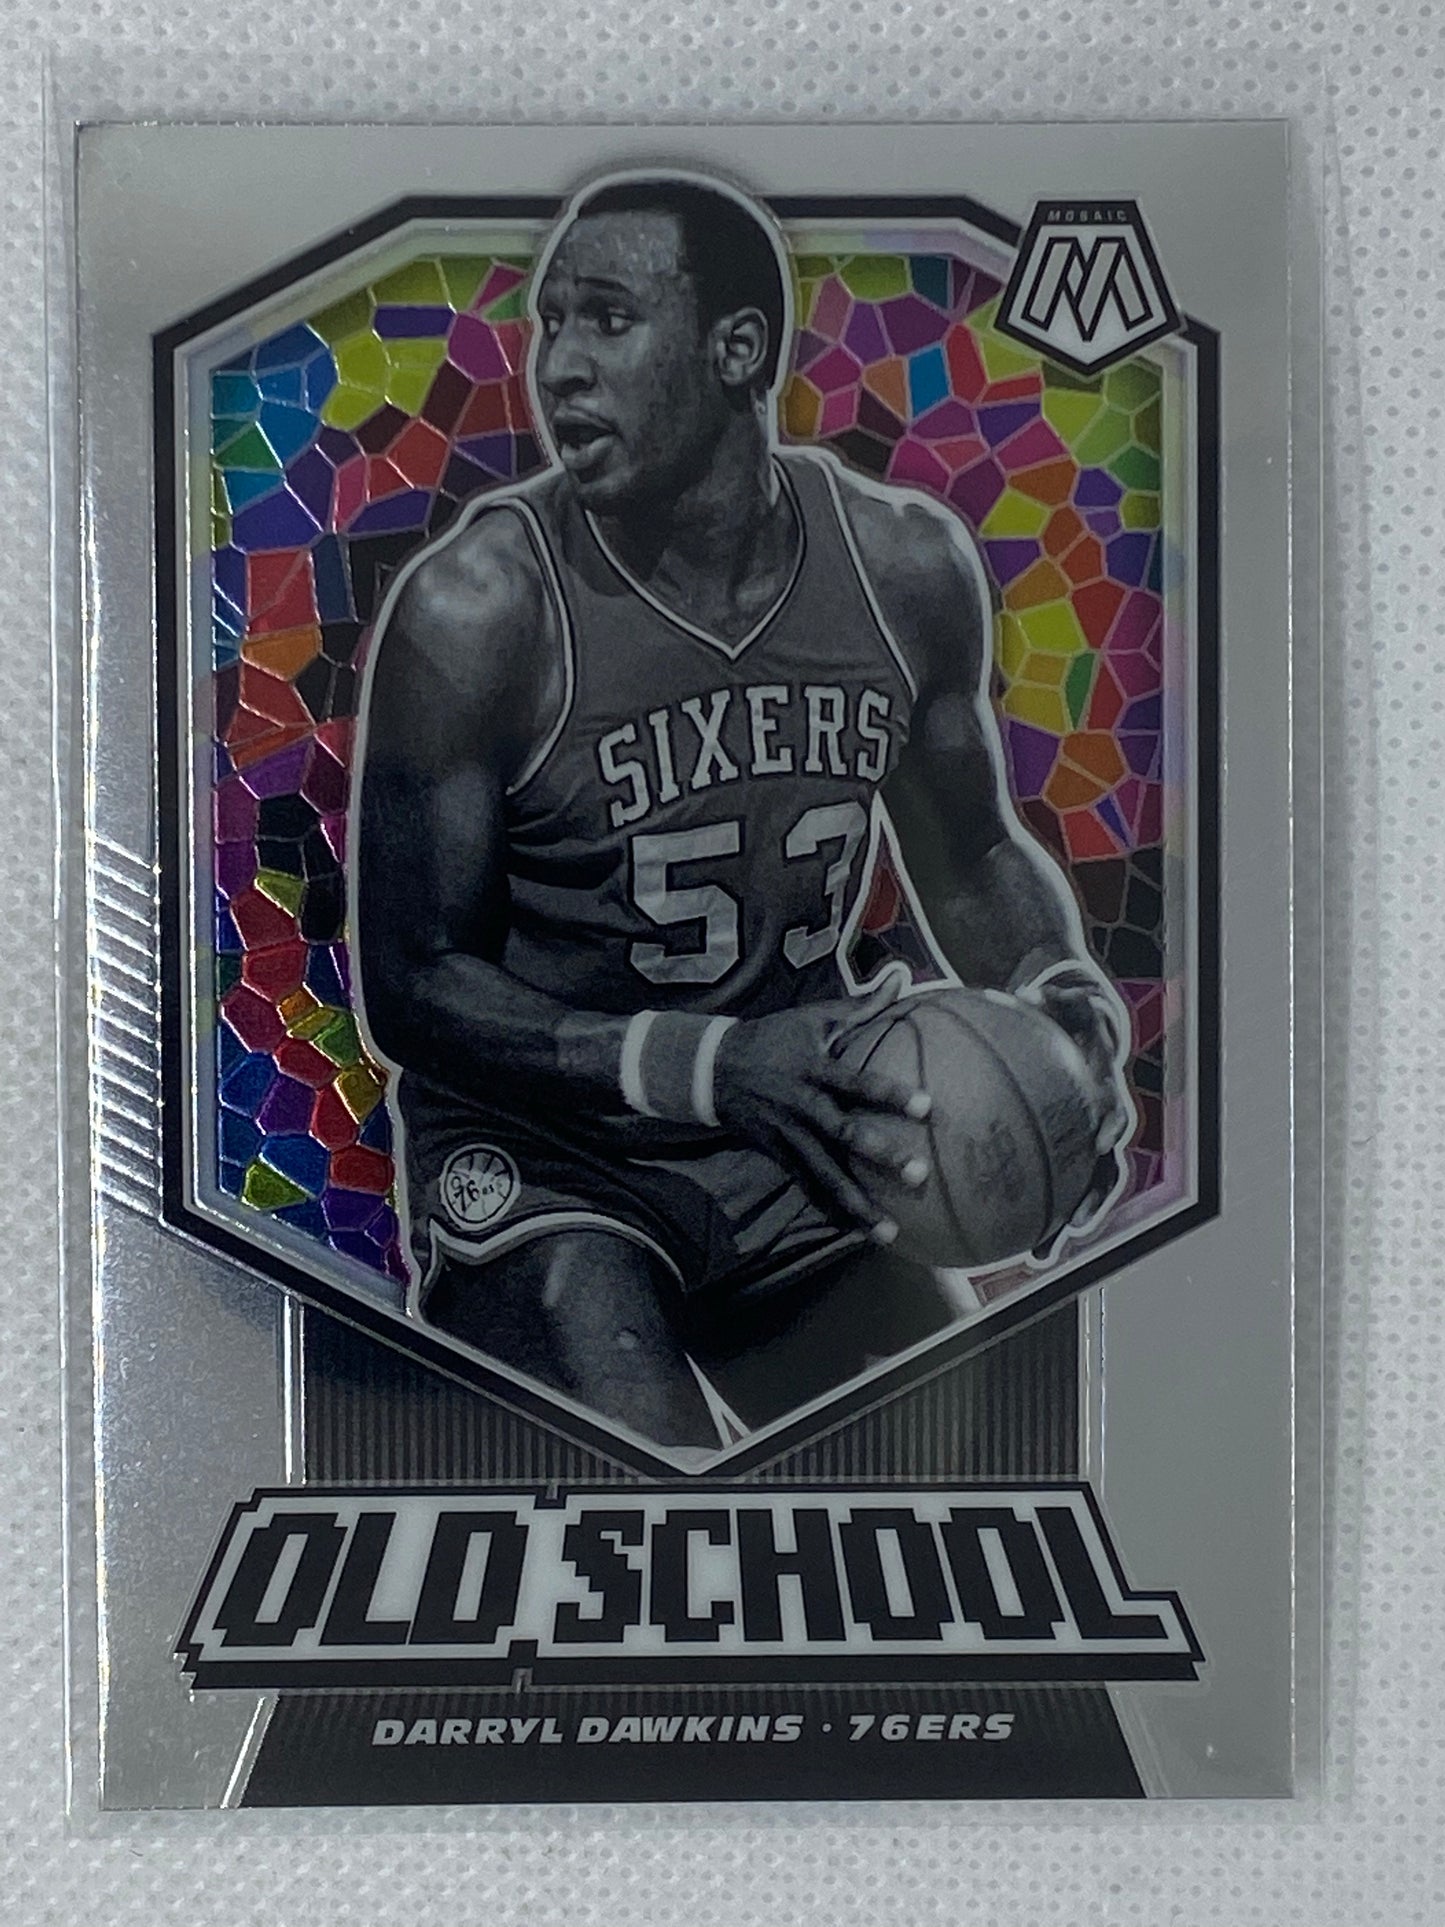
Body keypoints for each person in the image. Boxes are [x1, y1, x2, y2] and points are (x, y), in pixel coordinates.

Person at [353, 169, 1129, 1454]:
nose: (558, 366)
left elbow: (972, 851)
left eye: (607, 318)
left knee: (970, 1487)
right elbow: (413, 982)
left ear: (737, 349)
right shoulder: (478, 611)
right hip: (554, 1159)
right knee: (650, 1502)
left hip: (793, 1135)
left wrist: (1061, 999)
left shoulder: (900, 568)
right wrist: (708, 1066)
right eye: (550, 324)